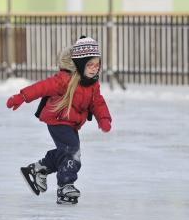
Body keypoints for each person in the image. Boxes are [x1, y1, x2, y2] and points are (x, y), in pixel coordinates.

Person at [6, 36, 112, 205]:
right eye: (90, 65)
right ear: (80, 64)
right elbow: (41, 87)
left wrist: (104, 118)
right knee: (72, 151)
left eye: (97, 65)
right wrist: (21, 96)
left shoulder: (92, 84)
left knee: (67, 152)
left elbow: (97, 102)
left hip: (72, 123)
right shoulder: (64, 80)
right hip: (57, 119)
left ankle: (38, 169)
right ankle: (65, 186)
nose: (94, 69)